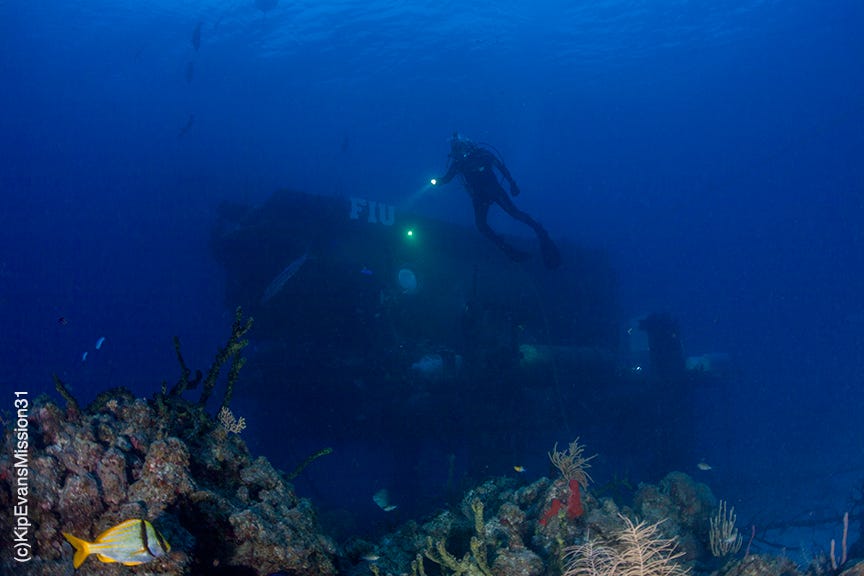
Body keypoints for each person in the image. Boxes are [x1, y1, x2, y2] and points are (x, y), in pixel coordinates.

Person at [433, 133, 560, 269]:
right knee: (482, 225)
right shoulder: (458, 164)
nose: (457, 152)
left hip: (493, 190)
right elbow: (447, 178)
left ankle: (540, 232)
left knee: (515, 214)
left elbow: (501, 167)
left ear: (465, 146)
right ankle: (507, 249)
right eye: (454, 149)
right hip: (479, 196)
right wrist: (437, 182)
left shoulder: (483, 155)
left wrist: (513, 184)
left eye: (458, 148)